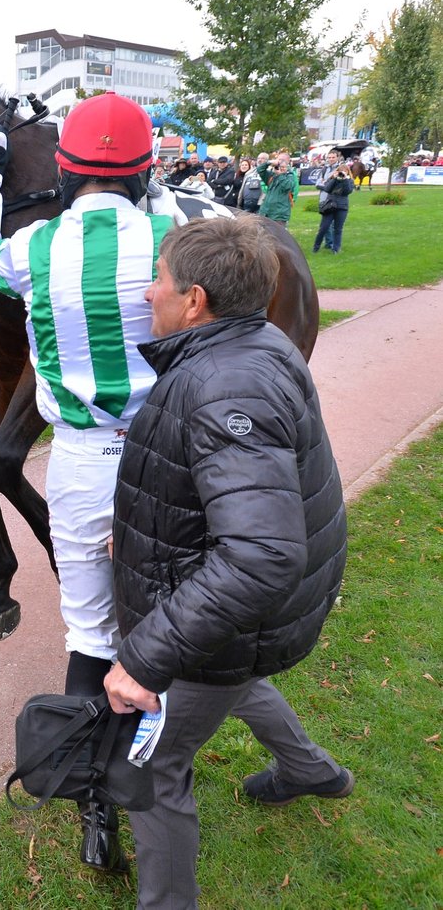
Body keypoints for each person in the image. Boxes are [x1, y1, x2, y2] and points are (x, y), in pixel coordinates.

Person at [104, 215, 352, 909]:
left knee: (150, 761)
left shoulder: (224, 384)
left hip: (248, 607)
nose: (148, 292)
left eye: (159, 278)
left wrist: (147, 655)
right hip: (255, 613)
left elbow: (261, 554)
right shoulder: (255, 338)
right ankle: (312, 769)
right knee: (230, 679)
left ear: (195, 300)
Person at [0, 92, 174, 874]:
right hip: (164, 458)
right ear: (144, 171)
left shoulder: (37, 244)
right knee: (165, 624)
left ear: (63, 169)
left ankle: (94, 812)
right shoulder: (171, 234)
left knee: (91, 636)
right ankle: (157, 778)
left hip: (81, 464)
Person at [313, 149, 355, 254]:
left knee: (338, 229)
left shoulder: (349, 181)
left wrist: (344, 179)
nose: (342, 173)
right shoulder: (331, 176)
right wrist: (335, 178)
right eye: (341, 171)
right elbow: (327, 188)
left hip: (342, 207)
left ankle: (335, 248)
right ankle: (316, 247)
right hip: (330, 205)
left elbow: (348, 191)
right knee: (324, 227)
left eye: (344, 172)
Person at [256, 151, 299, 224]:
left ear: (288, 162)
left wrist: (280, 175)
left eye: (282, 160)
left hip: (279, 215)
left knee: (276, 235)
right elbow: (260, 170)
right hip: (265, 212)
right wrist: (269, 163)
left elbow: (287, 186)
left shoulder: (291, 175)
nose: (279, 162)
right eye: (278, 160)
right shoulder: (272, 175)